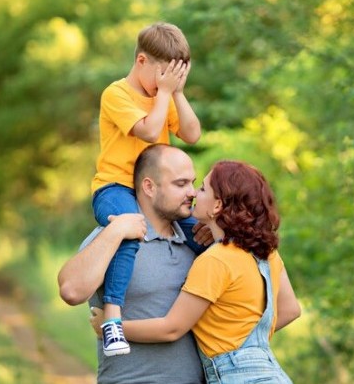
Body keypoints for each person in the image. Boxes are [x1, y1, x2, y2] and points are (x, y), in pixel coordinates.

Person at [91, 160, 302, 383]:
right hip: (271, 373)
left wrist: (110, 327)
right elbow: (290, 310)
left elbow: (171, 328)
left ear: (217, 205)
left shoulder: (215, 260)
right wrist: (246, 344)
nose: (193, 193)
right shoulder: (267, 253)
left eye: (202, 188)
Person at [90, 21, 203, 356]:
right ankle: (112, 319)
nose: (165, 85)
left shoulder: (163, 95)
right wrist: (166, 93)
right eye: (163, 76)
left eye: (176, 77)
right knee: (129, 227)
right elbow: (151, 132)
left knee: (201, 233)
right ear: (142, 62)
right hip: (117, 187)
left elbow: (193, 134)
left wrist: (176, 93)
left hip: (158, 193)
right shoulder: (117, 94)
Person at [59, 144, 206, 383]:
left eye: (193, 182)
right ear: (148, 186)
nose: (191, 192)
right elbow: (71, 291)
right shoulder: (112, 236)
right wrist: (116, 230)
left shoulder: (196, 243)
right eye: (180, 184)